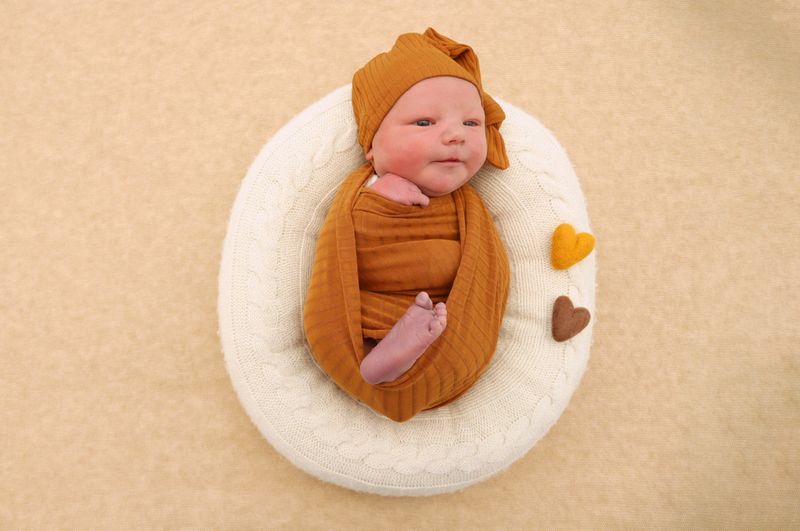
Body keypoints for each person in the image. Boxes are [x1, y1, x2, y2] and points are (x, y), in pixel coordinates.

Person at [303, 28, 510, 422]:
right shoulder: (366, 188)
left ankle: (397, 356)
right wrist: (380, 198)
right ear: (372, 146)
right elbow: (348, 249)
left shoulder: (469, 206)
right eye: (424, 122)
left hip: (441, 314)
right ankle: (379, 356)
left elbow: (489, 273)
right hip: (371, 307)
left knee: (443, 312)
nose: (455, 136)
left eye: (471, 123)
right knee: (350, 323)